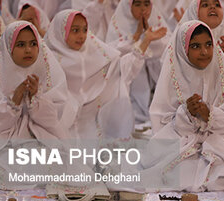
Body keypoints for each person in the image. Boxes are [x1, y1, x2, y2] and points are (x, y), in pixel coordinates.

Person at [143, 20, 224, 192]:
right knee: (173, 173)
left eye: (209, 45)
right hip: (181, 141)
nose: (204, 52)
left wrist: (210, 114)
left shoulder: (221, 68)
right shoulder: (173, 73)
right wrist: (185, 114)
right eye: (195, 47)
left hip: (219, 140)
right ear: (183, 50)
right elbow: (161, 120)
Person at [0, 21, 77, 189]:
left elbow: (53, 119)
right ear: (9, 49)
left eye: (33, 44)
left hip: (40, 138)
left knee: (59, 162)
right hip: (6, 141)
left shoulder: (49, 71)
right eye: (21, 44)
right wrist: (13, 102)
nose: (28, 49)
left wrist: (35, 98)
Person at [45, 10, 165, 140]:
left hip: (91, 133)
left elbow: (121, 69)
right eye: (75, 30)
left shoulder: (94, 55)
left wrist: (145, 41)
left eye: (85, 30)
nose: (81, 36)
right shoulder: (48, 61)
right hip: (56, 133)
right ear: (60, 31)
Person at [106, 0, 169, 128]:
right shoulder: (119, 25)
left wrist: (152, 39)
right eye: (138, 4)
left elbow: (167, 51)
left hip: (153, 83)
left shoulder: (156, 23)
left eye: (147, 4)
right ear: (129, 7)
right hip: (128, 83)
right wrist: (136, 36)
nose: (143, 9)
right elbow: (113, 54)